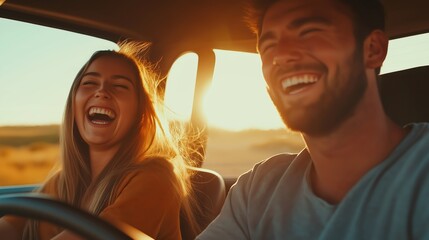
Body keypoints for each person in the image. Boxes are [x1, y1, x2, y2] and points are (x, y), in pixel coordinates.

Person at [197, 0, 429, 239]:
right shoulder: (258, 190)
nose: (281, 55)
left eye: (309, 32)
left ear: (373, 49)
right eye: (268, 46)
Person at [0, 42, 199, 239]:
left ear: (140, 114)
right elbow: (9, 227)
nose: (102, 91)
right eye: (89, 83)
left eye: (120, 86)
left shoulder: (156, 178)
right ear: (73, 104)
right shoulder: (63, 181)